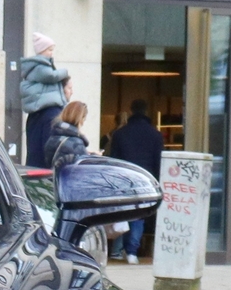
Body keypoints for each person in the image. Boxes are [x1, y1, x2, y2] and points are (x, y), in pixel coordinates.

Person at [104, 98, 165, 262]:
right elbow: (159, 162)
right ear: (146, 111)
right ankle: (132, 251)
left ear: (131, 111)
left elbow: (113, 159)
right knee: (139, 215)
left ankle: (119, 250)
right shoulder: (156, 135)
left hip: (124, 178)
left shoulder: (120, 134)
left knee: (124, 213)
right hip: (146, 179)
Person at [16, 33, 68, 168]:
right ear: (41, 50)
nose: (52, 54)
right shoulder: (40, 67)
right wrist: (65, 72)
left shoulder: (38, 116)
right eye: (49, 50)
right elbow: (51, 76)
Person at [46, 97, 92, 171]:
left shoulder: (53, 138)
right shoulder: (76, 143)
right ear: (80, 119)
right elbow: (85, 168)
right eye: (84, 119)